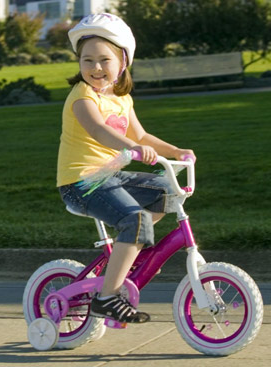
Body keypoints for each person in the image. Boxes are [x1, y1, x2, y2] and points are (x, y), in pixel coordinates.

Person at [57, 13, 195, 323]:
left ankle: (131, 252)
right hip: (81, 183)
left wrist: (175, 151)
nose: (95, 68)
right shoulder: (82, 97)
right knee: (136, 221)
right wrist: (130, 148)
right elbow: (97, 130)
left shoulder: (122, 99)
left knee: (166, 190)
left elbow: (142, 136)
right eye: (87, 60)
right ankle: (106, 298)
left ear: (122, 62)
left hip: (111, 177)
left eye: (103, 60)